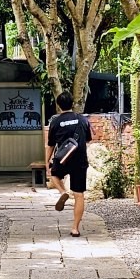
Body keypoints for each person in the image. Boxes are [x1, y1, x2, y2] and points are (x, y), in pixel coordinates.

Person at [46, 90, 92, 237]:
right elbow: (88, 140)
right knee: (79, 195)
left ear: (59, 106)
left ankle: (63, 192)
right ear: (72, 104)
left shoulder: (55, 122)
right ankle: (75, 228)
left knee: (54, 174)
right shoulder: (83, 119)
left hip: (63, 158)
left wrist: (46, 161)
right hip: (79, 160)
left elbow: (51, 145)